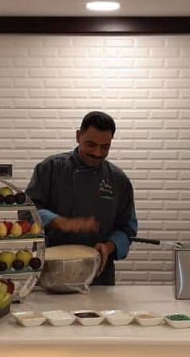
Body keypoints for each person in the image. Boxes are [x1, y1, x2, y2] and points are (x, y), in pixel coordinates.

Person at [25, 111, 138, 286]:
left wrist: (109, 246)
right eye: (91, 144)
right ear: (78, 136)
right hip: (51, 272)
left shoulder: (118, 180)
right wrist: (58, 221)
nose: (97, 153)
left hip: (98, 275)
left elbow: (127, 228)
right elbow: (27, 211)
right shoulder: (51, 168)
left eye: (105, 147)